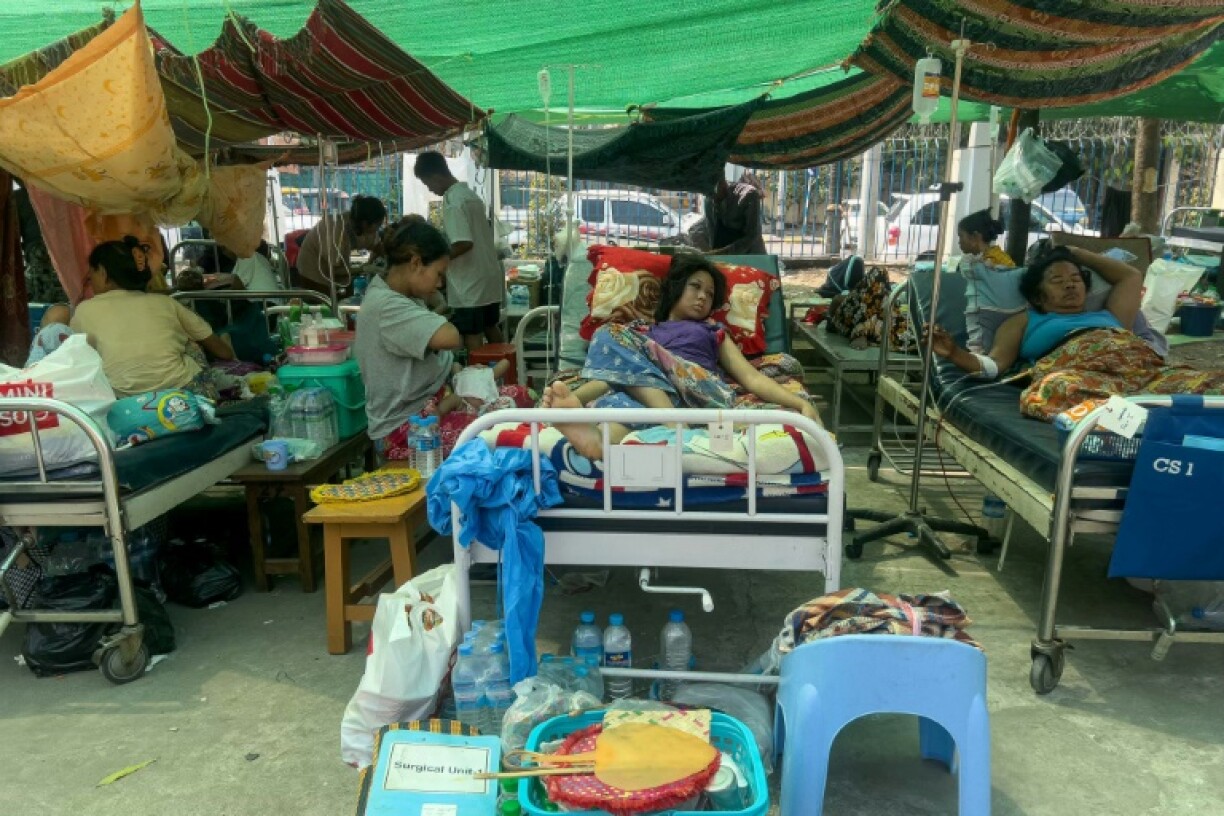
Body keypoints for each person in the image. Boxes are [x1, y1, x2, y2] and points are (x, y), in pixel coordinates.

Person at [541, 255, 819, 460]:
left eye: (709, 294)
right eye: (695, 287)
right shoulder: (641, 331)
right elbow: (610, 378)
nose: (702, 297)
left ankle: (673, 422)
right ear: (676, 288)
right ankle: (598, 444)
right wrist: (575, 401)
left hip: (694, 388)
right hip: (653, 397)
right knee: (621, 402)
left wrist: (799, 404)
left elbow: (750, 377)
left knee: (610, 333)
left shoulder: (712, 331)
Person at [928, 245, 1224, 420]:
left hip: (1142, 372)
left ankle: (1136, 416)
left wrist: (1074, 253)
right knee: (1055, 389)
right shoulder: (1023, 321)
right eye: (1057, 280)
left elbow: (1130, 276)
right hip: (1083, 376)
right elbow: (993, 366)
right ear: (1038, 296)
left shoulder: (1110, 315)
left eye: (1075, 279)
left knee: (1215, 384)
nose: (1070, 285)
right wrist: (954, 353)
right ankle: (1145, 416)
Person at [354, 217, 518, 460]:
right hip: (407, 429)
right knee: (505, 434)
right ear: (416, 263)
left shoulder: (401, 297)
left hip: (432, 408)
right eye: (439, 274)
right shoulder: (387, 306)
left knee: (519, 398)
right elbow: (449, 337)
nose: (440, 283)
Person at [70, 236, 233, 398]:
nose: (90, 282)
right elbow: (224, 353)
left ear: (103, 273)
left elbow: (77, 362)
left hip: (122, 400)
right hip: (184, 393)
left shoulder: (84, 310)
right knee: (188, 341)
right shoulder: (165, 303)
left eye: (91, 276)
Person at [413, 151, 505, 350]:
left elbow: (463, 243)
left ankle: (476, 377)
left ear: (435, 177)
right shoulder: (469, 195)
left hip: (469, 284)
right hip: (487, 277)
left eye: (428, 184)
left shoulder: (453, 201)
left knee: (472, 334)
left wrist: (438, 260)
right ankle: (506, 371)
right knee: (490, 326)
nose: (430, 189)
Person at [957, 208, 1021, 353]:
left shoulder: (990, 262)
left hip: (995, 313)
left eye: (961, 237)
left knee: (981, 348)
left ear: (975, 237)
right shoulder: (988, 257)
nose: (959, 242)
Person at [295, 195, 386, 293]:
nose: (379, 228)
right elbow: (335, 270)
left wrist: (384, 263)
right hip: (314, 274)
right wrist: (364, 268)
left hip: (337, 274)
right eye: (378, 225)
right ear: (365, 223)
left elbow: (377, 247)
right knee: (338, 301)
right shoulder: (336, 229)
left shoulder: (365, 229)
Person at [705, 171, 767, 256]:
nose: (712, 196)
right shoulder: (708, 201)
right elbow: (711, 233)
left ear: (723, 182)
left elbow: (752, 235)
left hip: (751, 257)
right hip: (725, 259)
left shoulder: (749, 195)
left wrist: (725, 253)